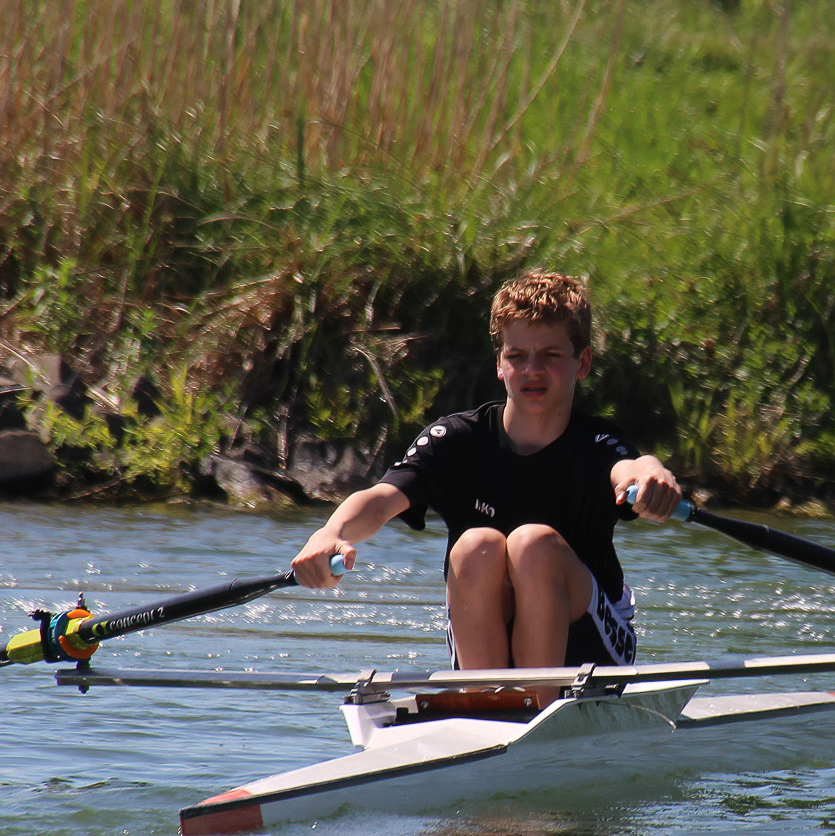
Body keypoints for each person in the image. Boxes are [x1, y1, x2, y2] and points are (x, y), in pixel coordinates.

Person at [290, 272, 681, 676]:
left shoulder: (597, 443)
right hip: (486, 641)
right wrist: (330, 534)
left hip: (592, 648)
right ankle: (485, 703)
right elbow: (380, 499)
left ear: (581, 362)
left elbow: (632, 469)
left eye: (550, 355)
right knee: (476, 544)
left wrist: (653, 475)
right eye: (516, 356)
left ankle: (532, 707)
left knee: (533, 543)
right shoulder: (456, 439)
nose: (532, 370)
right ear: (499, 363)